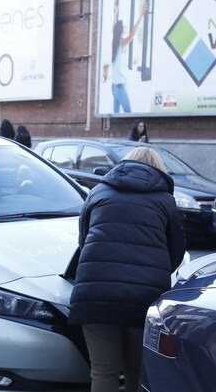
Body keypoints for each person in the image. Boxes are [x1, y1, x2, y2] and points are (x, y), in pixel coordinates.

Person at [69, 146, 186, 392]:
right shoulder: (165, 200)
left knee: (103, 372)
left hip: (94, 295)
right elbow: (175, 252)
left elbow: (84, 240)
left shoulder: (98, 192)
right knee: (138, 371)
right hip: (144, 299)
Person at [109, 1, 148, 113]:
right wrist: (141, 14)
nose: (126, 28)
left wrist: (115, 14)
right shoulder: (120, 43)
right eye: (124, 27)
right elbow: (133, 33)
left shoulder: (114, 43)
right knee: (129, 115)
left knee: (116, 118)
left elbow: (114, 28)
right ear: (121, 30)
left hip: (114, 87)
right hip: (120, 87)